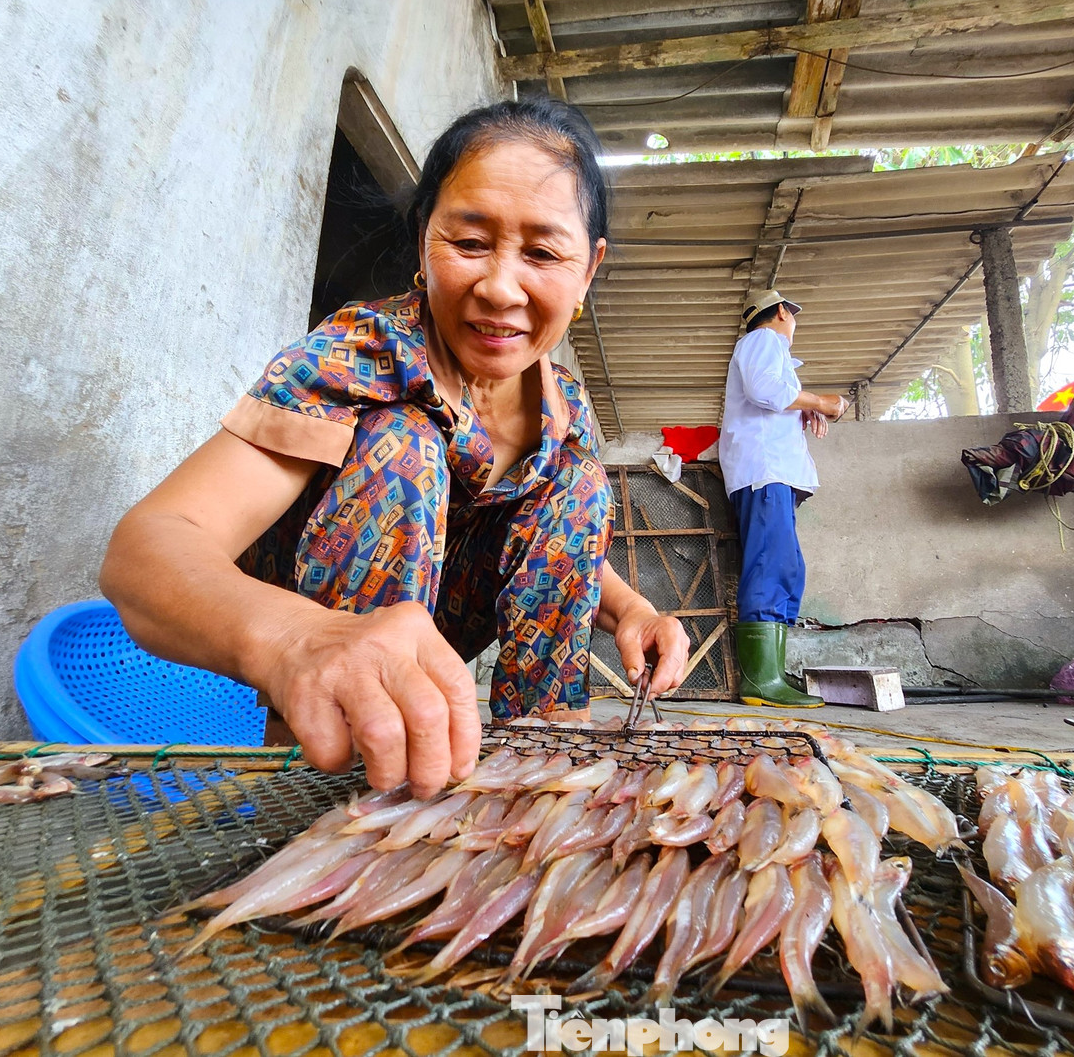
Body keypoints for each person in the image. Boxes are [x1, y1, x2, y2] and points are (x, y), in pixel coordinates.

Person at [99, 98, 690, 796]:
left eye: (542, 252)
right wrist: (300, 641)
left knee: (578, 486)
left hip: (438, 641)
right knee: (400, 442)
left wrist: (634, 612)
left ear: (588, 269)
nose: (500, 287)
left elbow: (556, 539)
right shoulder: (364, 357)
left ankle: (539, 766)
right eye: (469, 243)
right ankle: (322, 792)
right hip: (322, 636)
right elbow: (145, 551)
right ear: (422, 241)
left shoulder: (564, 406)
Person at [718, 290, 848, 708]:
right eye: (793, 316)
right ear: (780, 313)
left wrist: (800, 408)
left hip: (770, 474)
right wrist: (821, 402)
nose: (794, 324)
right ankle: (760, 681)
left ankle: (770, 674)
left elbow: (772, 396)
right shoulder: (763, 340)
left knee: (784, 564)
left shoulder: (767, 350)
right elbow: (763, 390)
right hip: (765, 473)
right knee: (771, 564)